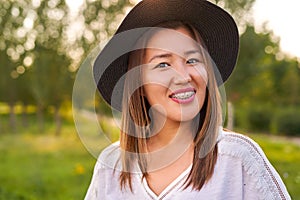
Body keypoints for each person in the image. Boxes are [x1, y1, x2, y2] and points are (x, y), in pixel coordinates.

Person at [85, 0, 291, 199]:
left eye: (192, 60)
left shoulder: (238, 159)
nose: (184, 76)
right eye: (163, 64)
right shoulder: (110, 166)